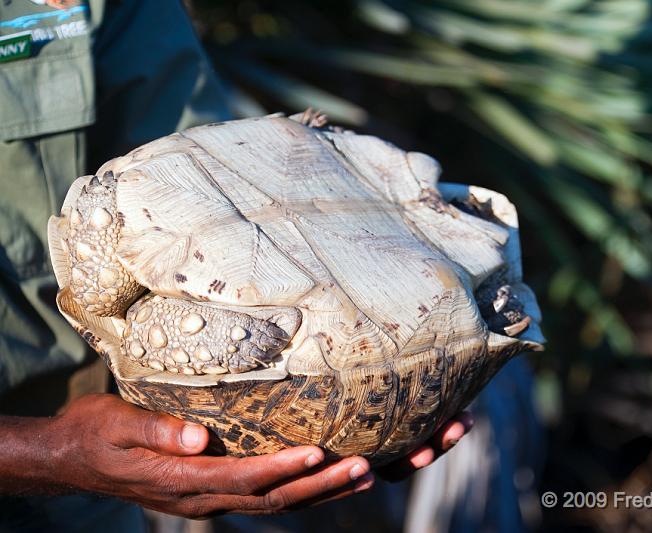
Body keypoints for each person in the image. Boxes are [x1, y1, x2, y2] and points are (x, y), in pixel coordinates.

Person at [0, 0, 471, 528]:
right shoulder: (136, 321)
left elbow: (191, 157)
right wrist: (43, 453)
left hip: (82, 496)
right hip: (74, 447)